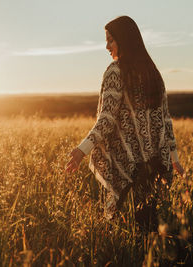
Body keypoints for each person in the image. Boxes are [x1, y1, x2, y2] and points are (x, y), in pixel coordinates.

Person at [65, 16, 185, 225]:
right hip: (157, 164)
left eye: (111, 40)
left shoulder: (116, 71)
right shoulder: (153, 74)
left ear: (125, 39)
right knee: (150, 228)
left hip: (128, 167)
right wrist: (174, 158)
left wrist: (81, 150)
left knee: (121, 226)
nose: (107, 46)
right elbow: (166, 121)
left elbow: (107, 119)